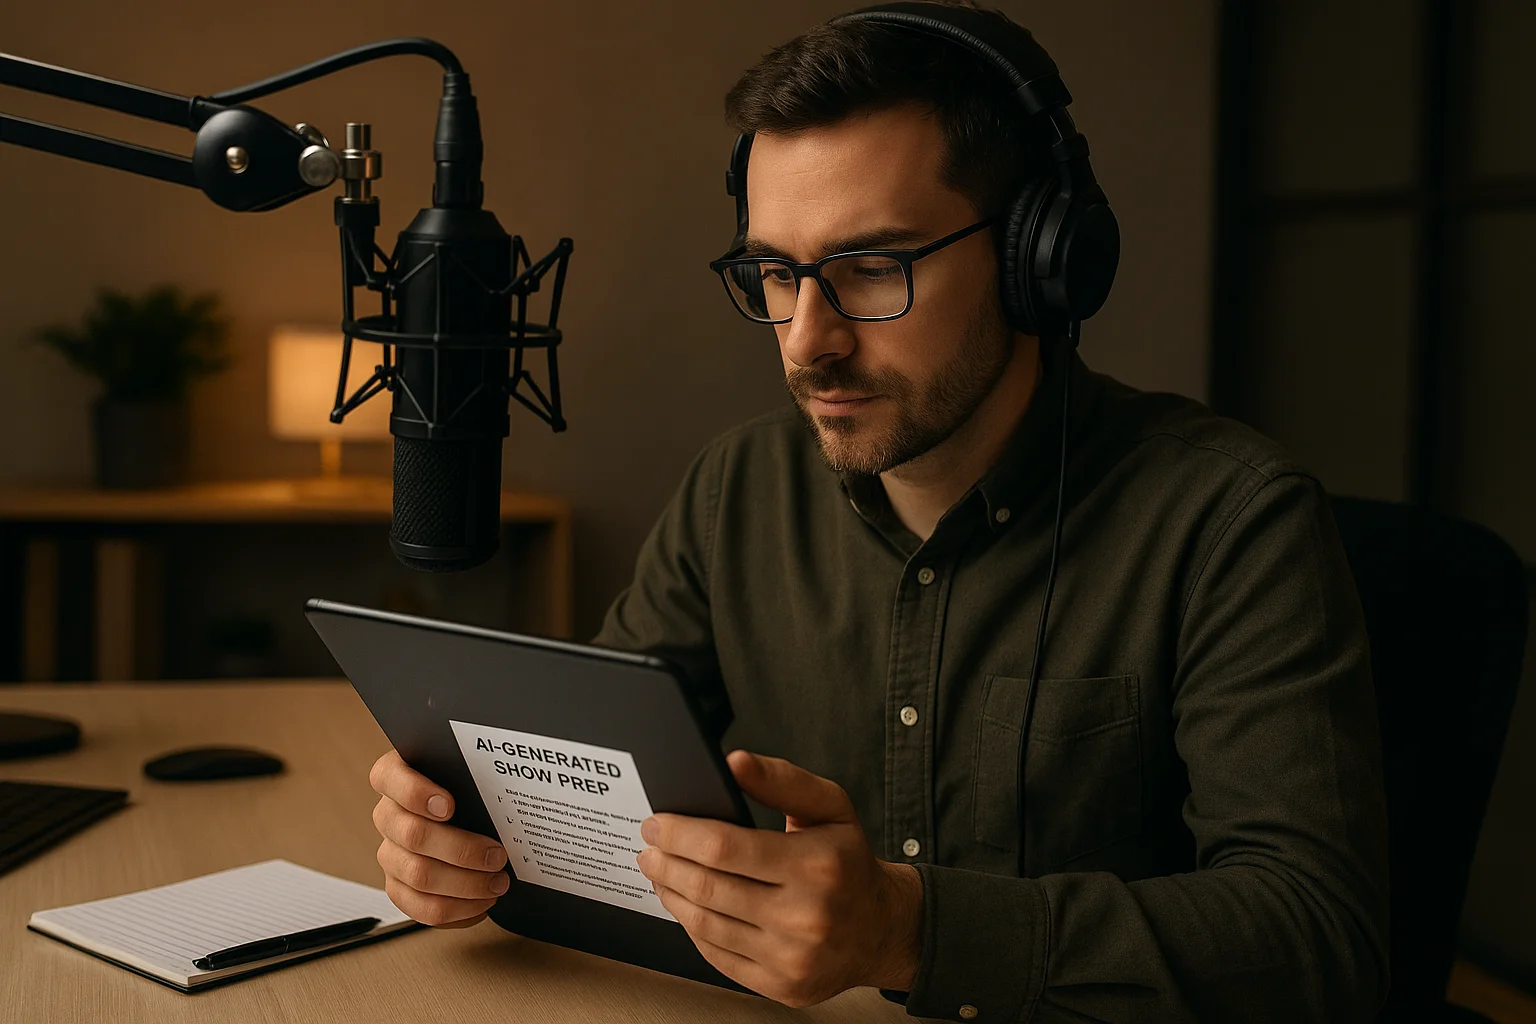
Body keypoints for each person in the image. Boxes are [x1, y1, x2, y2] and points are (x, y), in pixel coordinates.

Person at [367, 3, 1390, 1020]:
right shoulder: (737, 488)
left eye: (871, 269)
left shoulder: (1231, 519)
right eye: (775, 272)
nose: (808, 340)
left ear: (1040, 257)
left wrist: (908, 929)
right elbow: (596, 774)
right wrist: (478, 834)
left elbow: (1319, 935)